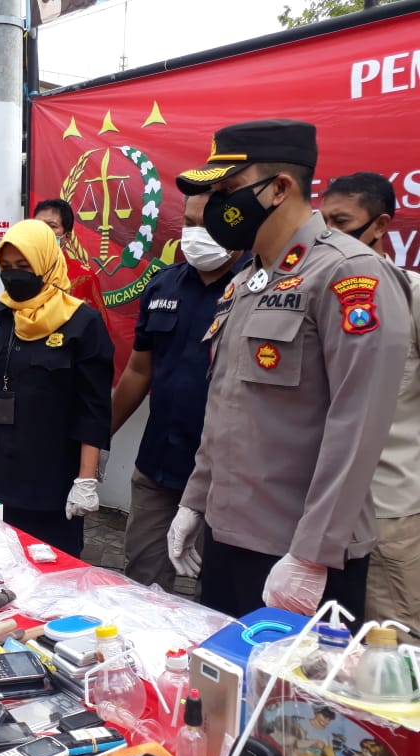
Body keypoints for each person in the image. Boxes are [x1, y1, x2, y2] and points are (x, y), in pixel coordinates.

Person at [168, 120, 411, 622]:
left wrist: (311, 554)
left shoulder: (348, 273)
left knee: (294, 678)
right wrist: (196, 500)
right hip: (229, 534)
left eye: (227, 191)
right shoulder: (246, 280)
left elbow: (359, 424)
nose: (216, 206)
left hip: (298, 551)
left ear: (279, 188)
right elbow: (226, 407)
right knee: (224, 669)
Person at [0, 219, 112, 558]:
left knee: (48, 577)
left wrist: (86, 478)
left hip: (48, 487)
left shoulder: (82, 322)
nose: (13, 274)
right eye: (6, 266)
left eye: (23, 265)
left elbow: (93, 409)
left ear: (45, 263)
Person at [111, 193, 248, 591]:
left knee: (221, 592)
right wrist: (99, 437)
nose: (195, 234)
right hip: (158, 465)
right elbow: (139, 370)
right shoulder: (162, 285)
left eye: (207, 224)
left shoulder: (257, 289)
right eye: (189, 223)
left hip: (227, 478)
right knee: (143, 581)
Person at [320, 172, 420, 636]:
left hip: (387, 512)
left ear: (379, 225)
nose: (327, 235)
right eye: (321, 222)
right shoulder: (316, 296)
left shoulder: (410, 295)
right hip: (317, 513)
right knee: (317, 648)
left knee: (389, 648)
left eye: (341, 222)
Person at [33, 198, 110, 323]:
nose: (44, 231)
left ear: (67, 236)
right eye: (38, 226)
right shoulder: (21, 271)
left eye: (52, 226)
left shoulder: (84, 277)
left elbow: (99, 328)